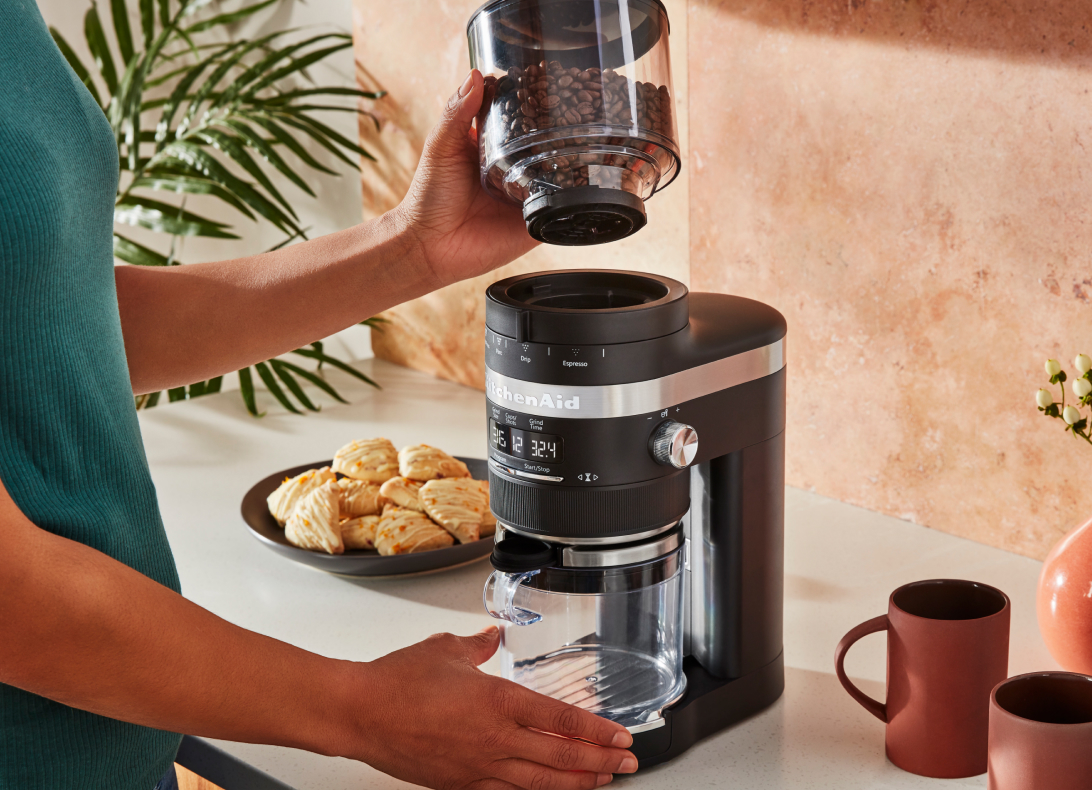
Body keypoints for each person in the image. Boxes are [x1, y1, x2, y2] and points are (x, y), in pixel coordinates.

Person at [0, 1, 639, 788]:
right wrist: (359, 708)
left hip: (117, 746)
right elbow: (10, 595)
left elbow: (51, 319)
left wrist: (411, 250)